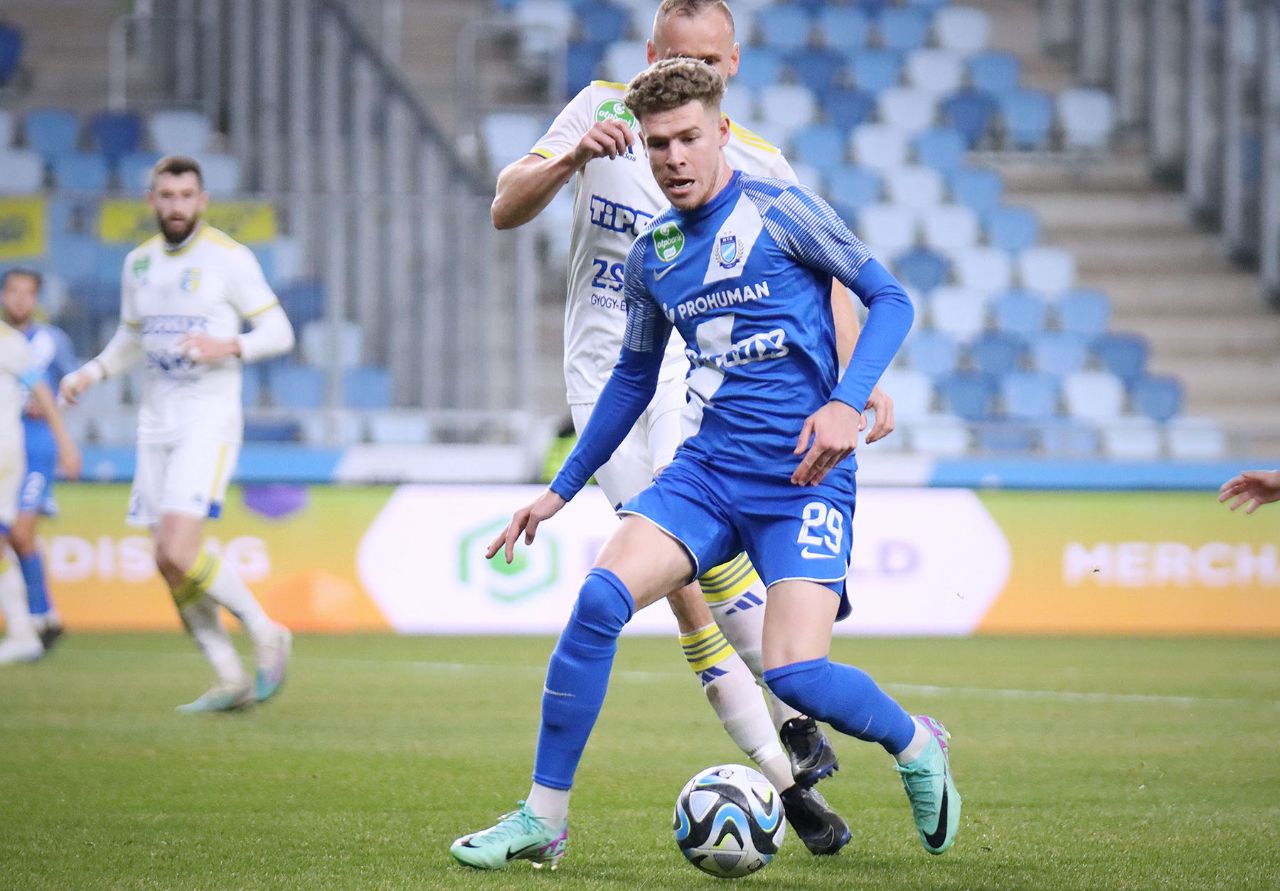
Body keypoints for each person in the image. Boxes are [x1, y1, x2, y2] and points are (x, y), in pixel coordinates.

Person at [451, 59, 961, 871]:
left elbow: (890, 298)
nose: (674, 158)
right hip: (709, 472)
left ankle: (915, 741)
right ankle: (543, 817)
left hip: (801, 476)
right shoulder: (654, 255)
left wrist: (846, 400)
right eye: (658, 145)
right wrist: (559, 490)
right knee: (598, 600)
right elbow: (630, 381)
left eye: (689, 138)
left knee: (797, 673)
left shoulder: (783, 210)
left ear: (722, 132)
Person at [59, 155, 295, 712]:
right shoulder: (138, 264)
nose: (177, 206)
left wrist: (228, 345)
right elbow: (131, 338)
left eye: (187, 196)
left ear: (202, 200)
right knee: (165, 561)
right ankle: (228, 676)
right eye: (166, 196)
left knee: (179, 549)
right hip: (155, 422)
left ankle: (266, 630)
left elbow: (279, 331)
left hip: (206, 420)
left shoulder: (228, 259)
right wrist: (92, 372)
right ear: (152, 201)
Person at [1, 267, 82, 648]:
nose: (20, 299)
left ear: (36, 298)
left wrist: (60, 425)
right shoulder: (5, 339)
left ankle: (34, 619)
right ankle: (44, 616)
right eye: (13, 291)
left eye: (28, 293)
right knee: (15, 538)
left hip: (36, 445)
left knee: (20, 533)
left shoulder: (51, 340)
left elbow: (70, 385)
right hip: (7, 441)